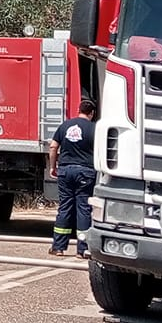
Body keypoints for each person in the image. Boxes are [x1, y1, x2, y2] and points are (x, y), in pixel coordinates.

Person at [47, 98, 98, 258]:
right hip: (85, 172)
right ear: (92, 113)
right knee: (83, 209)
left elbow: (53, 146)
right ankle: (82, 250)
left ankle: (58, 247)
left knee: (65, 208)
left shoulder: (65, 125)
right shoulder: (94, 129)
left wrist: (53, 167)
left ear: (79, 110)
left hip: (65, 171)